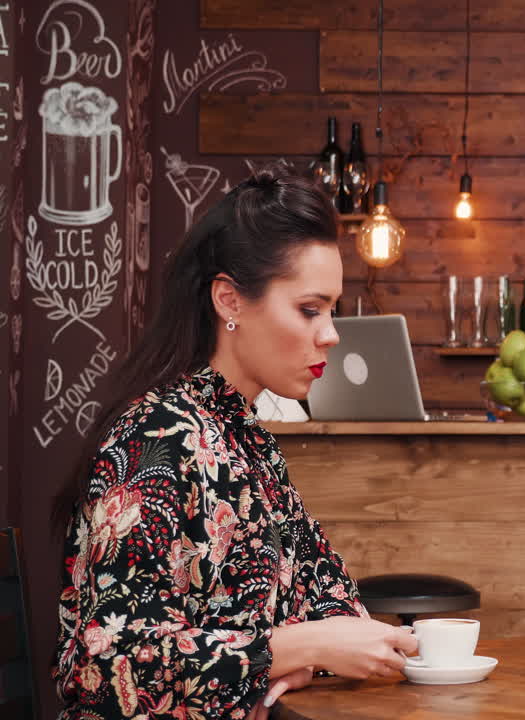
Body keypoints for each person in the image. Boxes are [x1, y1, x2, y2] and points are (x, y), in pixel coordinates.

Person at [52, 171, 417, 720]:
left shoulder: (248, 439)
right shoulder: (157, 436)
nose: (332, 334)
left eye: (333, 309)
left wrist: (289, 657)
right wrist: (295, 650)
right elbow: (106, 665)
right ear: (230, 301)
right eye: (310, 309)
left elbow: (336, 605)